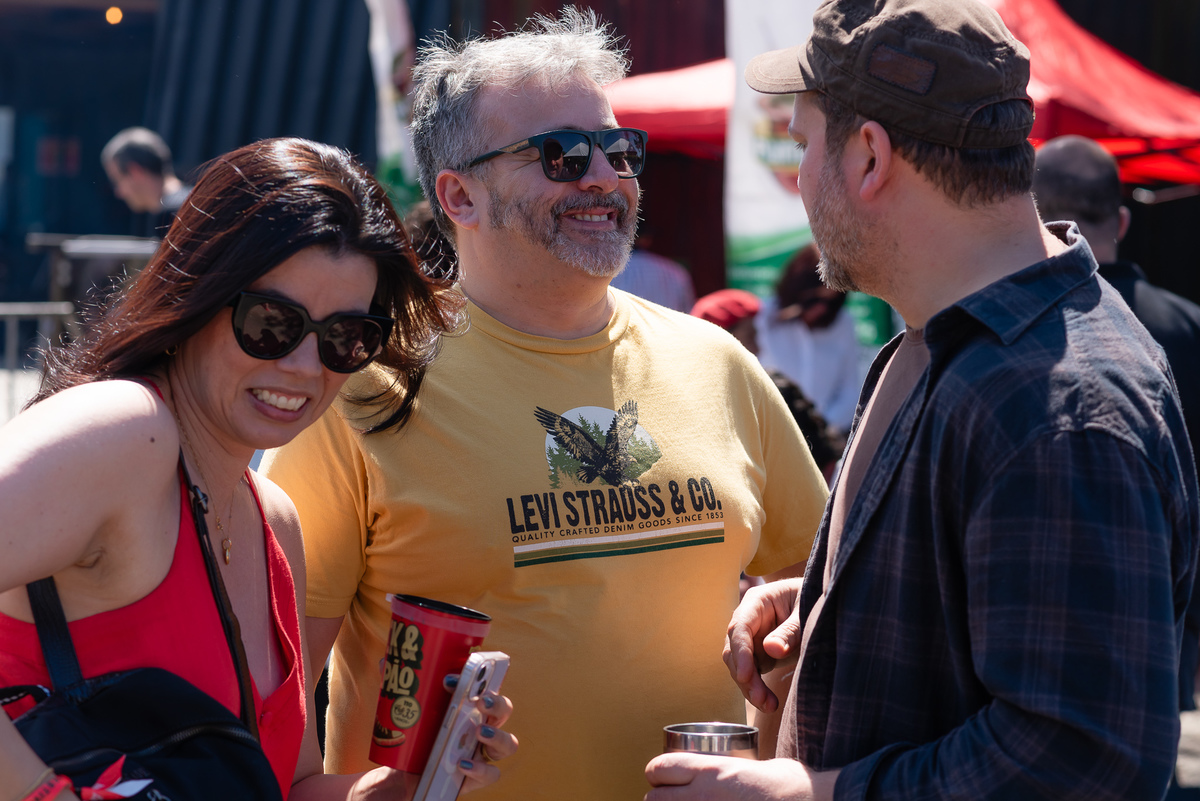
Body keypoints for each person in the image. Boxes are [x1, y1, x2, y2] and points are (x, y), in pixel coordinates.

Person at [260, 10, 829, 800]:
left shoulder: (718, 363)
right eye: (561, 154)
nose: (602, 176)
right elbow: (269, 740)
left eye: (618, 150)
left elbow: (827, 608)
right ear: (459, 194)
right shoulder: (362, 388)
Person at [645, 0, 1199, 799]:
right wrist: (831, 604)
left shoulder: (1058, 407)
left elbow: (1083, 759)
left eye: (802, 145)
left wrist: (808, 792)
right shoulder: (945, 337)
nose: (799, 178)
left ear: (870, 155)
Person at [0, 137, 516, 801]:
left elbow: (285, 785)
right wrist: (44, 793)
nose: (304, 365)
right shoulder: (126, 431)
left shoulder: (274, 520)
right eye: (270, 322)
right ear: (198, 294)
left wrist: (415, 781)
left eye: (345, 338)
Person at [1034, 133, 1200, 798]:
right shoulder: (1187, 325)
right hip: (1172, 590)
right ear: (1122, 221)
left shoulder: (1026, 329)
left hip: (1045, 608)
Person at [691, 288, 845, 482]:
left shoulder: (774, 390)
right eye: (751, 337)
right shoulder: (693, 406)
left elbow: (823, 460)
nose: (758, 348)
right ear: (720, 342)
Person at [754, 242, 866, 432]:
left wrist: (819, 431)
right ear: (795, 290)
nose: (821, 308)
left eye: (830, 302)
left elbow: (849, 391)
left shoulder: (843, 323)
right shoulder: (764, 318)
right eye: (814, 299)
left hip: (826, 437)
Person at [101, 127, 193, 230]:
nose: (119, 193)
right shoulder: (194, 204)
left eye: (117, 180)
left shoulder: (179, 215)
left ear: (135, 171)